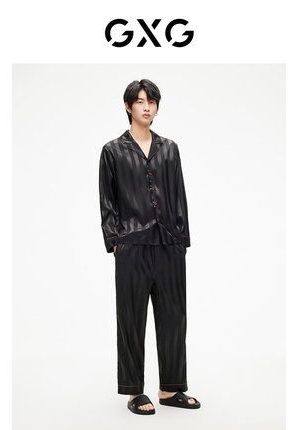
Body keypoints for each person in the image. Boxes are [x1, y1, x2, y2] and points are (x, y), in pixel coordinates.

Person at [98, 79, 201, 415]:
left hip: (169, 244)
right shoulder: (113, 151)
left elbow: (179, 194)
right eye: (140, 101)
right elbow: (107, 200)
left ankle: (170, 388)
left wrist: (182, 240)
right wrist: (115, 242)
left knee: (174, 318)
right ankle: (133, 392)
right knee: (131, 319)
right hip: (131, 246)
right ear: (128, 106)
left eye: (152, 102)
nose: (147, 107)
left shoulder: (169, 149)